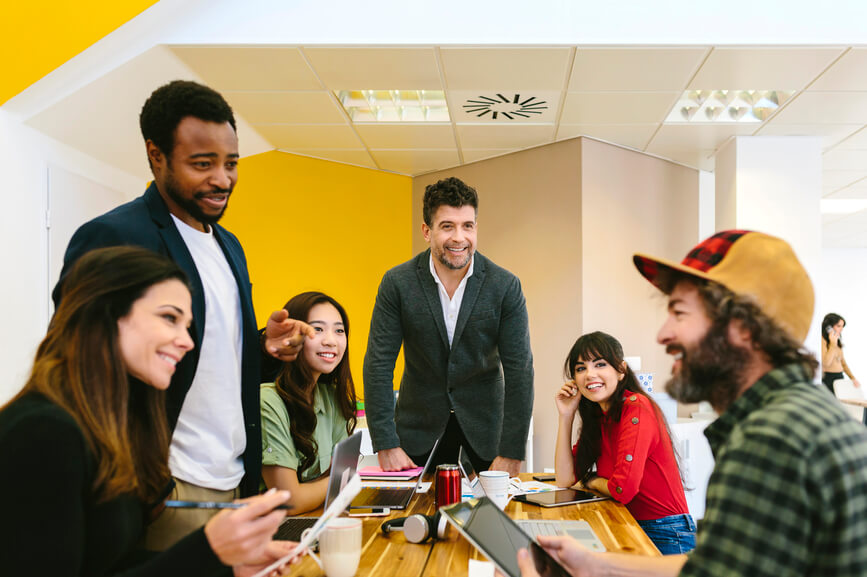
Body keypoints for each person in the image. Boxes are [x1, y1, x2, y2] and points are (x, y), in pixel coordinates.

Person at [52, 80, 314, 550]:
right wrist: (138, 480)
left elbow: (208, 354)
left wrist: (263, 347)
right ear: (156, 156)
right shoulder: (116, 236)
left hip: (236, 478)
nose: (222, 179)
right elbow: (77, 363)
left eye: (231, 164)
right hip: (166, 486)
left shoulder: (228, 245)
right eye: (202, 164)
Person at [514, 230, 867, 577]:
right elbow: (714, 565)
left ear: (743, 327)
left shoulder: (770, 439)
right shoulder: (798, 416)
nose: (663, 334)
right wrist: (594, 565)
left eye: (680, 313)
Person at [0, 246, 299, 577]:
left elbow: (102, 565)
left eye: (188, 326)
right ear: (105, 315)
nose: (187, 341)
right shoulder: (43, 433)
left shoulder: (112, 428)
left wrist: (226, 565)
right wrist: (206, 551)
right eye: (169, 318)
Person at [364, 176, 534, 476]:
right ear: (427, 231)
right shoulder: (397, 284)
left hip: (486, 435)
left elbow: (520, 370)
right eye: (447, 226)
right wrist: (385, 442)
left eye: (467, 225)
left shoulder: (505, 286)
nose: (459, 237)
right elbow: (378, 364)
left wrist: (512, 449)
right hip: (417, 433)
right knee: (412, 521)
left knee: (492, 521)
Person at [554, 332, 694, 555]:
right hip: (626, 522)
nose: (590, 374)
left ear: (621, 371)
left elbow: (622, 490)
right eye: (581, 368)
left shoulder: (636, 407)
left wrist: (592, 481)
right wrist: (566, 416)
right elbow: (564, 478)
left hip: (666, 533)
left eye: (600, 364)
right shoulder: (599, 418)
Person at [260, 292, 357, 513]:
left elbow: (341, 473)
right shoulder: (268, 400)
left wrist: (343, 481)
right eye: (317, 329)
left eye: (339, 330)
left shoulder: (331, 397)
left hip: (315, 517)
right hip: (273, 530)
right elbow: (289, 501)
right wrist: (344, 483)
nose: (330, 340)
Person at [820, 312, 860, 393]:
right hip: (828, 378)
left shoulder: (837, 341)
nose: (841, 329)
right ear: (829, 327)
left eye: (842, 326)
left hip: (839, 377)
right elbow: (826, 363)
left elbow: (843, 363)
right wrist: (832, 344)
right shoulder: (823, 341)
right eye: (838, 326)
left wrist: (853, 378)